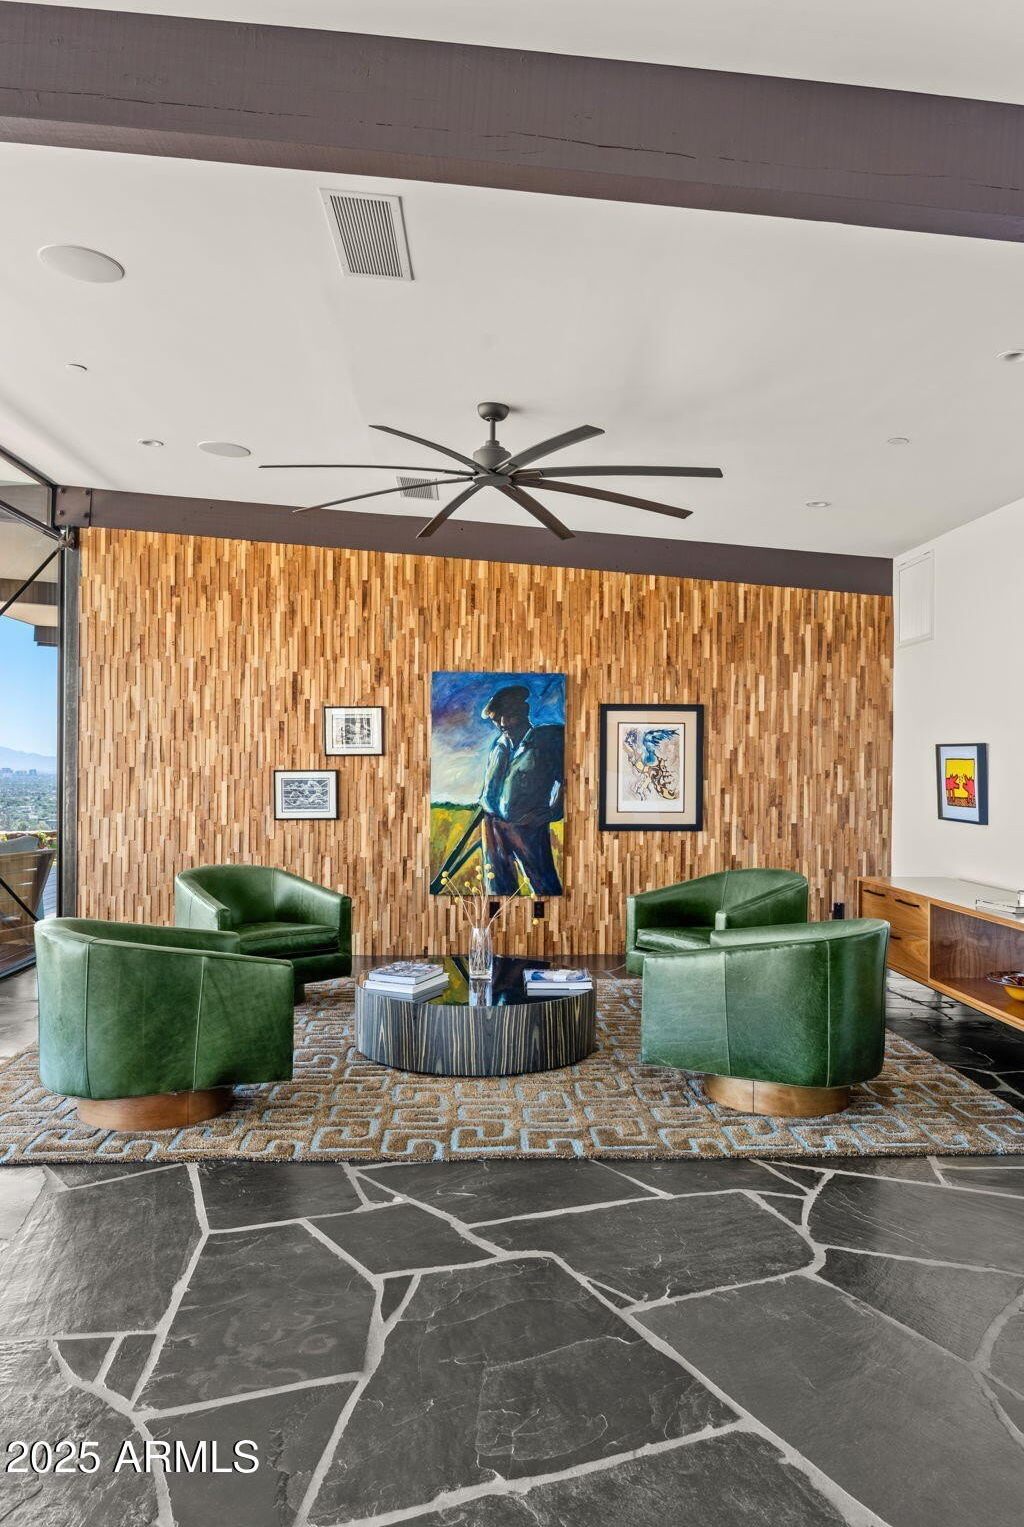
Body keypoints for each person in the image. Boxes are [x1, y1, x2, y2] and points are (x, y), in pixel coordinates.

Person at [477, 684, 564, 895]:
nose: (502, 723)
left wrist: (553, 812)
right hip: (492, 825)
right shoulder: (499, 745)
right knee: (497, 887)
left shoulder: (546, 741)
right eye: (497, 719)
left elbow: (569, 780)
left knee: (544, 885)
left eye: (509, 716)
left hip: (528, 827)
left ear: (523, 712)